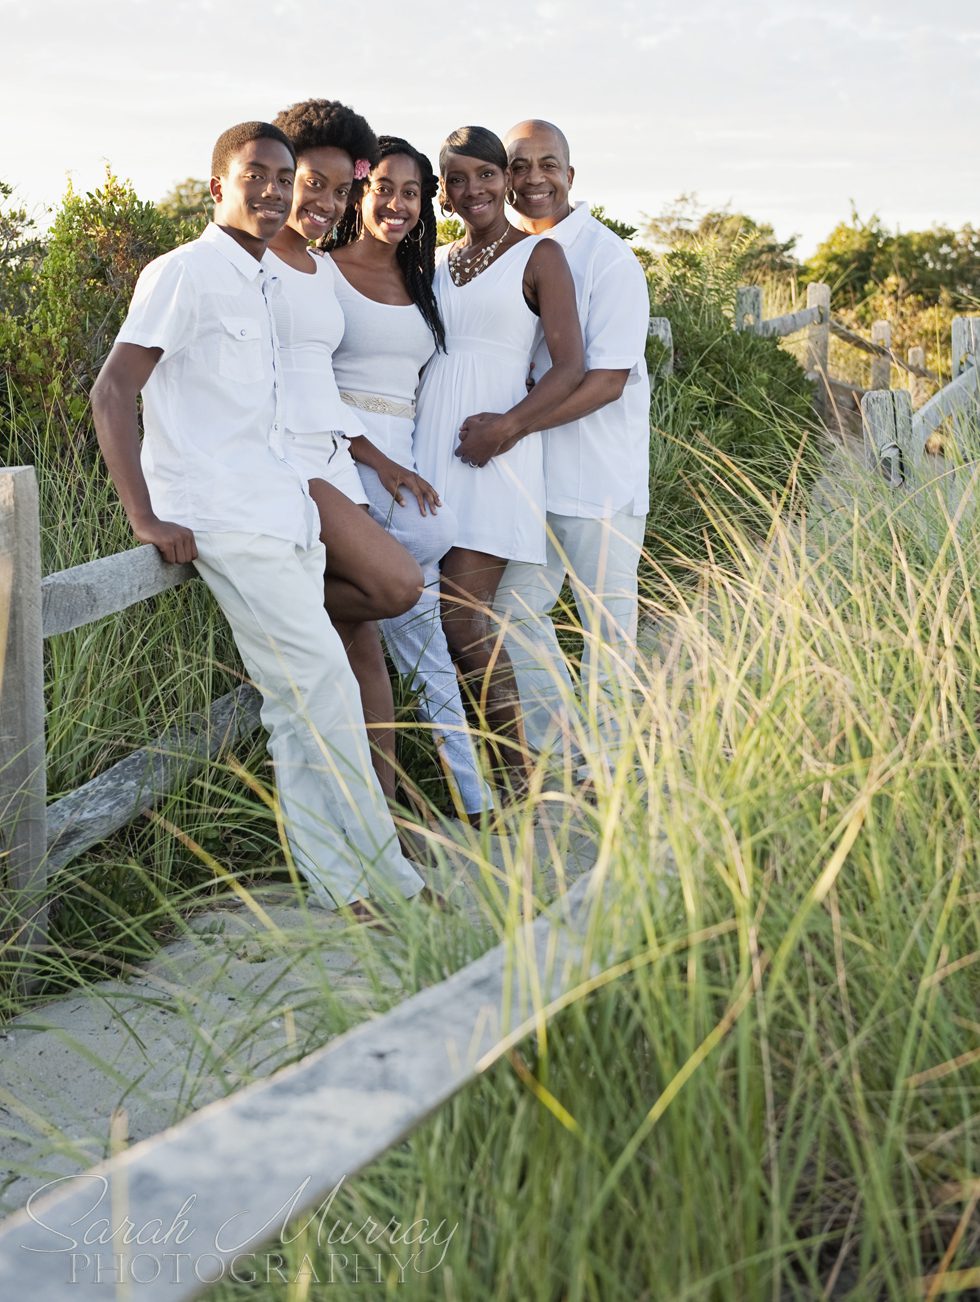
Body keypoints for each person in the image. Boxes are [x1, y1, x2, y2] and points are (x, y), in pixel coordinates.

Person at [90, 121, 426, 919]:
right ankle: (387, 882)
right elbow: (112, 392)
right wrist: (144, 514)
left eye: (285, 178)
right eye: (257, 177)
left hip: (286, 510)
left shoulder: (269, 282)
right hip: (227, 513)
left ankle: (337, 882)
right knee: (322, 690)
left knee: (299, 704)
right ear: (218, 187)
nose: (274, 192)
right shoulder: (181, 274)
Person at [412, 125, 584, 797]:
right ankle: (462, 775)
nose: (473, 189)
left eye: (486, 174)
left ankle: (518, 775)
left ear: (506, 181)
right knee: (426, 617)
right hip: (430, 453)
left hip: (495, 456)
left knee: (462, 618)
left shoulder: (541, 256)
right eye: (457, 179)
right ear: (444, 191)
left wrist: (508, 427)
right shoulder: (433, 262)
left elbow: (570, 369)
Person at [328, 135, 493, 821]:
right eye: (384, 188)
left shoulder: (419, 281)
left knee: (423, 640)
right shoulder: (322, 272)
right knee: (401, 615)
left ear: (425, 203)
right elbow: (307, 385)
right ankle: (390, 807)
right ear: (361, 192)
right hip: (347, 463)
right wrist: (379, 461)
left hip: (406, 461)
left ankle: (468, 797)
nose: (397, 203)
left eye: (411, 192)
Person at [266, 98, 426, 806]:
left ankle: (382, 814)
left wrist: (378, 458)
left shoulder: (315, 265)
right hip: (284, 461)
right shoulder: (251, 260)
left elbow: (321, 380)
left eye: (340, 189)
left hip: (331, 454)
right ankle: (283, 603)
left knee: (362, 644)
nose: (328, 203)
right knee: (395, 587)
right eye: (313, 185)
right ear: (278, 177)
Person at [494, 119, 651, 770]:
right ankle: (567, 744)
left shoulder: (608, 259)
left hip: (599, 478)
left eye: (548, 164)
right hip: (530, 482)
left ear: (571, 176)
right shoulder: (501, 255)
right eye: (520, 166)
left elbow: (609, 380)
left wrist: (513, 425)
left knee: (607, 629)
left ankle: (609, 768)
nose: (535, 179)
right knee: (512, 613)